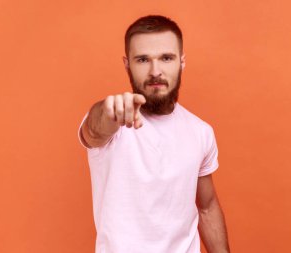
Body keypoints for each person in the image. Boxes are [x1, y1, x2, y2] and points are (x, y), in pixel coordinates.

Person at [78, 15, 230, 253]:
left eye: (166, 58)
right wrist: (108, 113)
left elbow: (207, 207)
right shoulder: (113, 120)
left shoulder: (201, 132)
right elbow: (94, 131)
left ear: (181, 62)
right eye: (142, 60)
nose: (155, 71)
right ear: (127, 64)